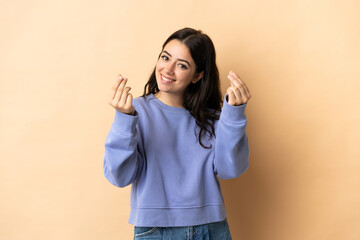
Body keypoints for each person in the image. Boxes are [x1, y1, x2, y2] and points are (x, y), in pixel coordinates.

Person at [104, 27, 251, 240]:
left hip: (211, 228)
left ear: (197, 76)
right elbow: (119, 176)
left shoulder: (213, 117)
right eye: (165, 57)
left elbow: (231, 169)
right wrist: (124, 119)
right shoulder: (136, 111)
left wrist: (234, 116)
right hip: (156, 230)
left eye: (182, 65)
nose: (168, 69)